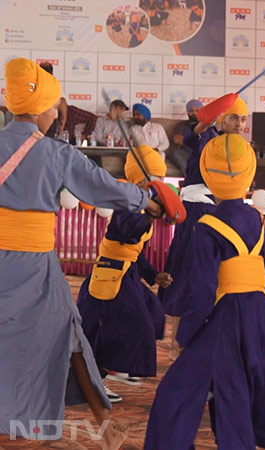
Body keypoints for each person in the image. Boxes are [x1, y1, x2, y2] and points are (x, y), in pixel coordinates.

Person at [0, 58, 163, 449]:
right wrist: (147, 200)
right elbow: (104, 187)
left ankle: (104, 421)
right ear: (43, 109)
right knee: (68, 335)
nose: (57, 115)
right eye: (55, 108)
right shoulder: (56, 153)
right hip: (35, 266)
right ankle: (103, 424)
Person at [145, 133, 265, 450]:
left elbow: (202, 290)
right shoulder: (254, 217)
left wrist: (184, 337)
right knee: (250, 386)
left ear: (207, 174)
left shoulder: (207, 226)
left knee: (179, 394)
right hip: (261, 313)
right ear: (249, 174)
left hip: (228, 316)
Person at [76, 145, 171, 403]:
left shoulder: (143, 204)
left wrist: (153, 276)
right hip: (111, 275)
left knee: (152, 314)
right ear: (140, 180)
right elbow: (127, 230)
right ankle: (103, 375)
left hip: (126, 273)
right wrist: (151, 217)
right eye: (155, 179)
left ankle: (116, 367)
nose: (159, 185)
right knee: (130, 327)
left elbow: (135, 251)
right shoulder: (126, 200)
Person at [159, 94, 247, 360]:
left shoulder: (240, 146)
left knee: (215, 275)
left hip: (223, 211)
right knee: (189, 271)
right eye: (234, 118)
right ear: (221, 119)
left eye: (243, 119)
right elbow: (191, 137)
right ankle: (177, 344)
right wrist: (203, 123)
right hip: (198, 210)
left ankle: (206, 341)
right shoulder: (208, 137)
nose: (240, 124)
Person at [166, 99, 202, 174]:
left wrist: (187, 140)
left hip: (200, 152)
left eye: (197, 110)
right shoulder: (182, 125)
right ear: (188, 112)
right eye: (191, 110)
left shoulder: (204, 126)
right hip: (185, 152)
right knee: (173, 151)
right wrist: (196, 142)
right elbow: (177, 139)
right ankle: (189, 175)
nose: (194, 113)